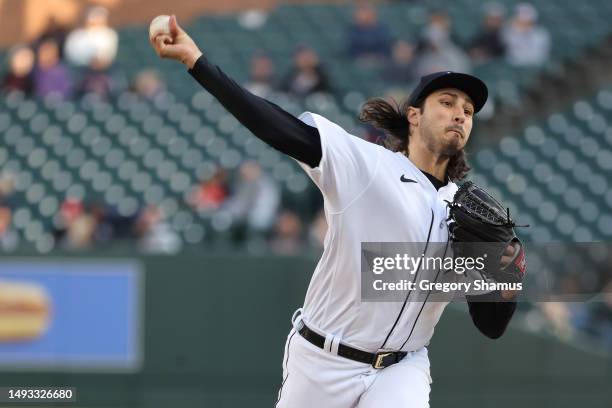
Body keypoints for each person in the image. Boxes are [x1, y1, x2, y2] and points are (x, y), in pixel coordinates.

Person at [150, 15, 523, 407]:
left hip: (402, 368)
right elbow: (278, 128)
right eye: (446, 103)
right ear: (414, 115)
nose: (460, 114)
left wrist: (508, 275)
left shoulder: (469, 212)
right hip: (322, 360)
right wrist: (197, 62)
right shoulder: (368, 165)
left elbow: (491, 325)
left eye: (467, 109)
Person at [501, 2, 550, 67]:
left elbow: (541, 55)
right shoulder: (507, 32)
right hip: (513, 66)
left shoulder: (541, 34)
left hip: (535, 66)